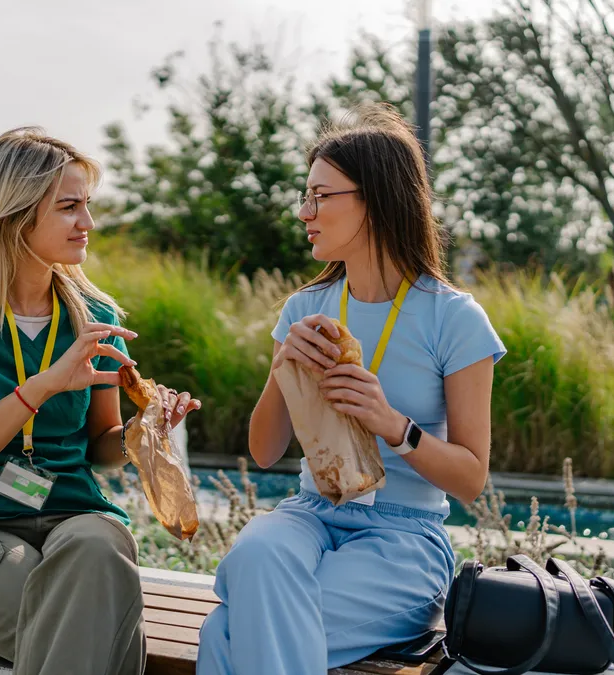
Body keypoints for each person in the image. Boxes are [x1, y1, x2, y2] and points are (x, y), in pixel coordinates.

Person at [196, 104, 506, 674]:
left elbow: (471, 478)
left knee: (228, 630)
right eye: (305, 196)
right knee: (257, 549)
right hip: (308, 514)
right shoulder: (303, 309)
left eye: (320, 196)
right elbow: (264, 452)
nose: (303, 211)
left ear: (377, 199)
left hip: (402, 540)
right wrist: (283, 369)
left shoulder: (454, 320)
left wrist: (394, 425)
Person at [0, 128, 201, 675]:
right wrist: (41, 386)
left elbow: (101, 448)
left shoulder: (96, 317)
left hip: (74, 517)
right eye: (69, 207)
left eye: (87, 205)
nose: (87, 223)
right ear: (15, 217)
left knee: (98, 547)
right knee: (92, 617)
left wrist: (143, 431)